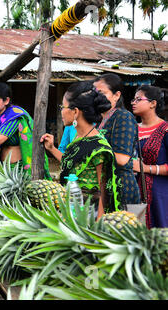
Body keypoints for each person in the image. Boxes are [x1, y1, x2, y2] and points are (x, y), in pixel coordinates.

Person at [40, 81, 121, 218]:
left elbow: (104, 192)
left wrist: (98, 230)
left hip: (88, 218)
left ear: (75, 112)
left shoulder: (98, 148)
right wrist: (52, 148)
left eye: (63, 106)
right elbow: (72, 164)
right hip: (71, 212)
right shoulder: (79, 138)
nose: (61, 111)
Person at [93, 73, 141, 206]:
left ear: (117, 95)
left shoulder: (123, 117)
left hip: (121, 188)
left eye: (102, 93)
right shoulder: (99, 121)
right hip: (104, 188)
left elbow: (121, 159)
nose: (96, 97)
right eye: (94, 93)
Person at [131, 85, 168, 228]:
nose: (133, 103)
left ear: (153, 103)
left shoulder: (165, 130)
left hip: (161, 194)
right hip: (135, 192)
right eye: (133, 100)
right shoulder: (131, 129)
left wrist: (145, 168)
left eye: (138, 99)